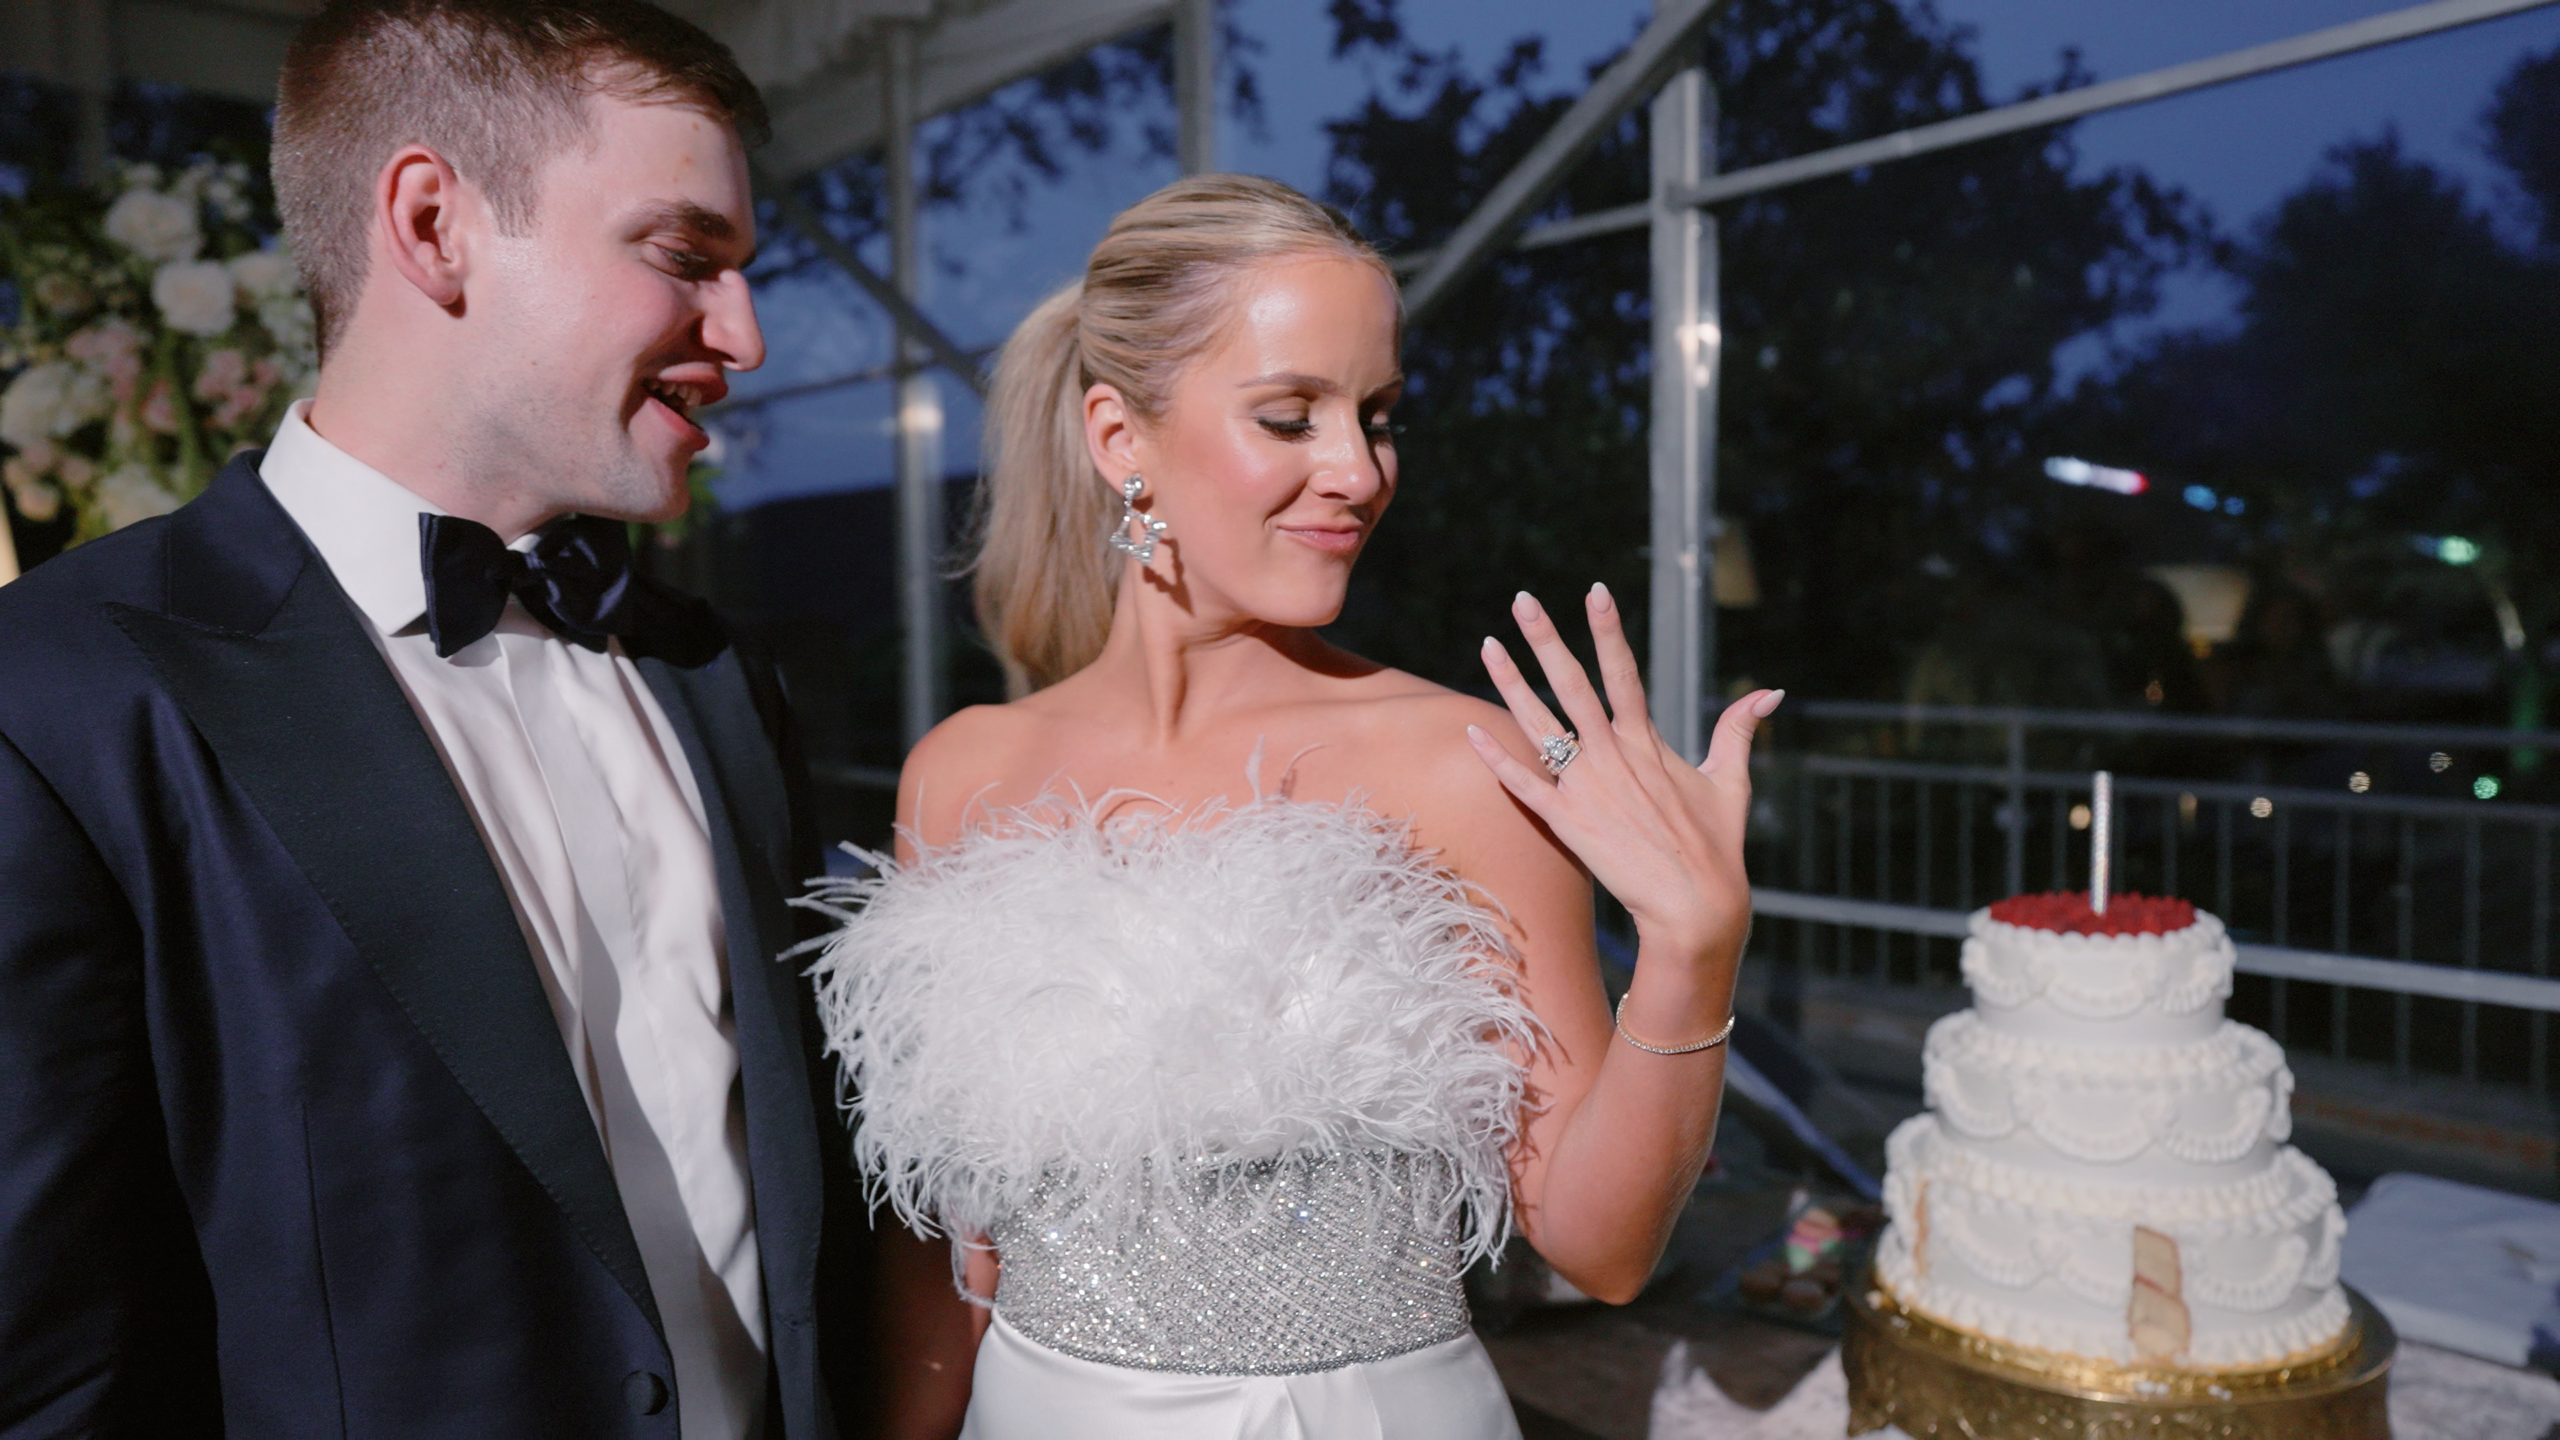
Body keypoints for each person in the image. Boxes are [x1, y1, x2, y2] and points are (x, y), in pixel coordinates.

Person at [0, 2, 874, 1433]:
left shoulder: (718, 674)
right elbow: (50, 1374)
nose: (746, 335)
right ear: (432, 223)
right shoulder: (56, 701)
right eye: (683, 257)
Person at [801, 175, 1780, 1439]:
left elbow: (1600, 1251)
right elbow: (945, 1239)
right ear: (1119, 439)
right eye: (1289, 415)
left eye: (1378, 417)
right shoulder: (964, 771)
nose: (1359, 471)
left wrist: (1694, 951)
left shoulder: (1457, 761)